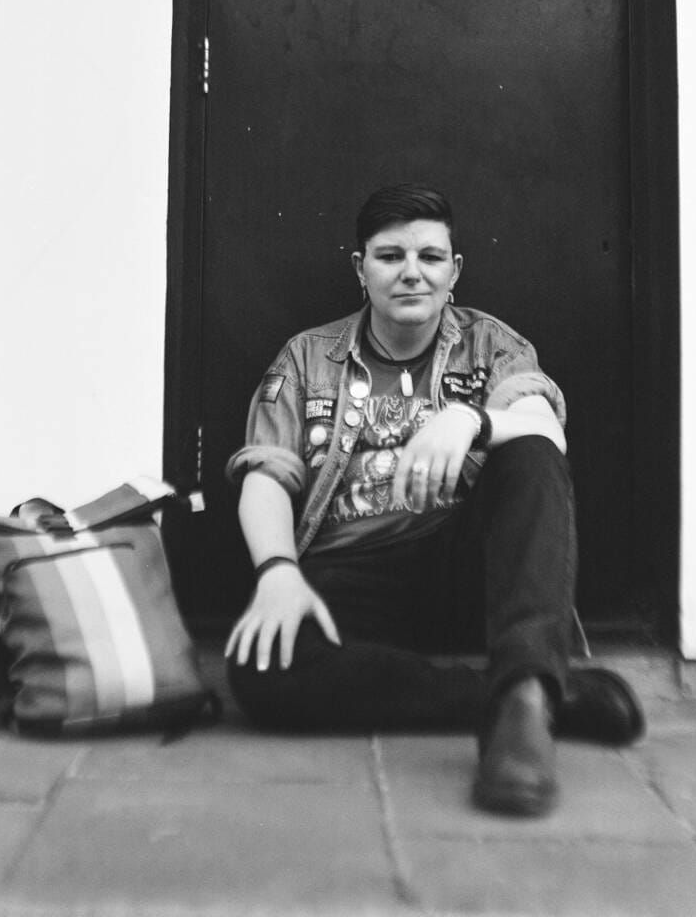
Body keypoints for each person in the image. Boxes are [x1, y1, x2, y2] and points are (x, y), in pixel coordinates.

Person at [224, 184, 643, 817]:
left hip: (467, 573)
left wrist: (472, 419)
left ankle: (524, 707)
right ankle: (531, 695)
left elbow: (546, 432)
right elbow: (266, 473)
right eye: (390, 256)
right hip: (352, 580)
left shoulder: (489, 343)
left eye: (430, 256)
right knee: (260, 669)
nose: (411, 272)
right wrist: (277, 572)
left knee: (530, 454)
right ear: (360, 268)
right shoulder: (308, 357)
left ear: (455, 269)